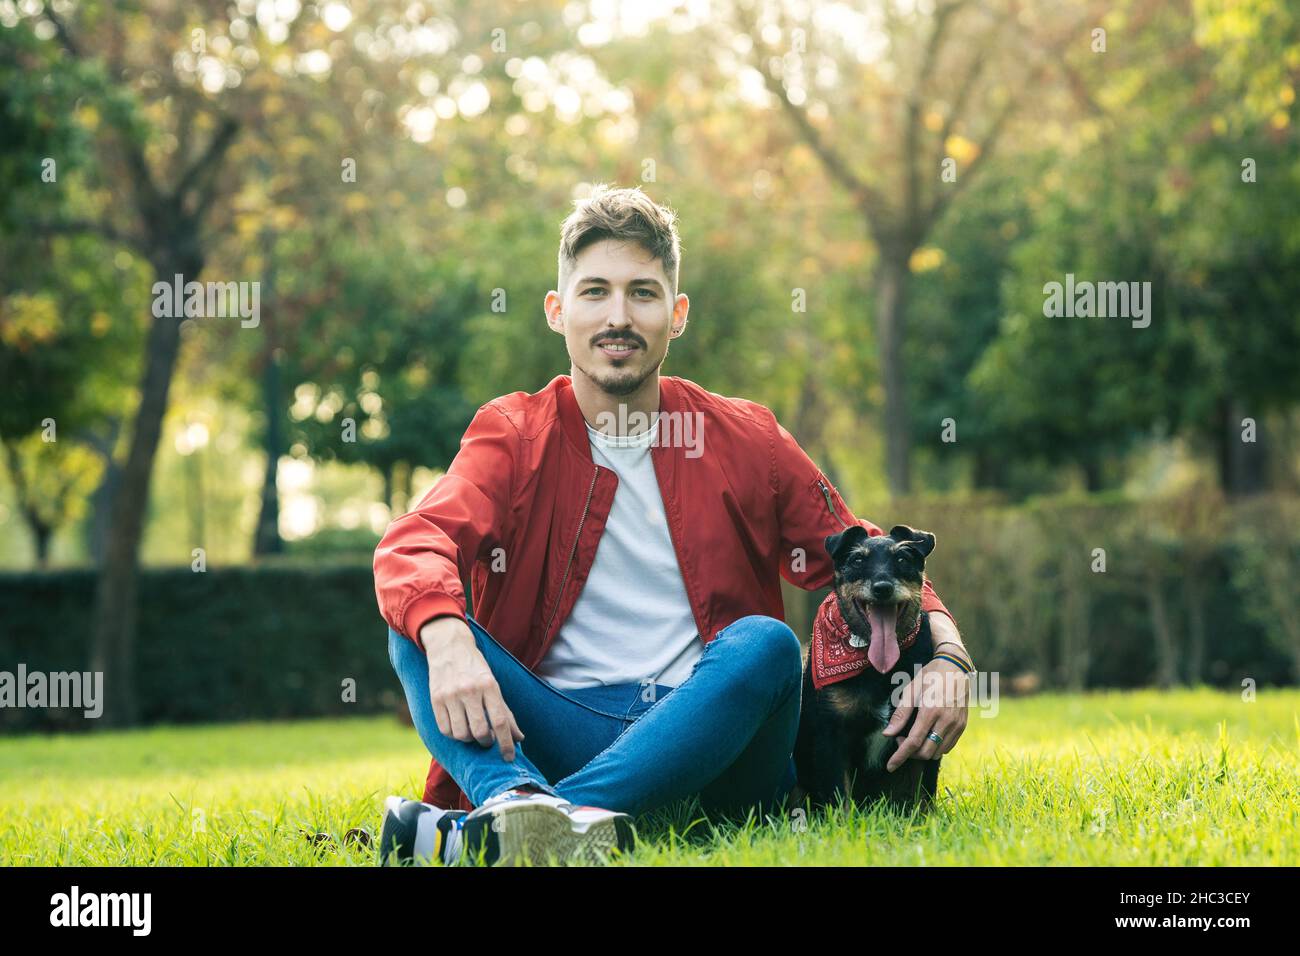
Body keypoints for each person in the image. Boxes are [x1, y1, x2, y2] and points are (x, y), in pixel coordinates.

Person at [373, 184, 973, 867]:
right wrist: (447, 637)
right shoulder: (512, 434)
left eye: (643, 293)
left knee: (768, 646)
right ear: (557, 310)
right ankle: (517, 803)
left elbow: (858, 545)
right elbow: (415, 543)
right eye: (595, 291)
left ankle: (536, 821)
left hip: (720, 745)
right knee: (418, 620)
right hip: (561, 725)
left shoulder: (746, 436)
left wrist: (949, 653)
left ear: (677, 313)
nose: (618, 316)